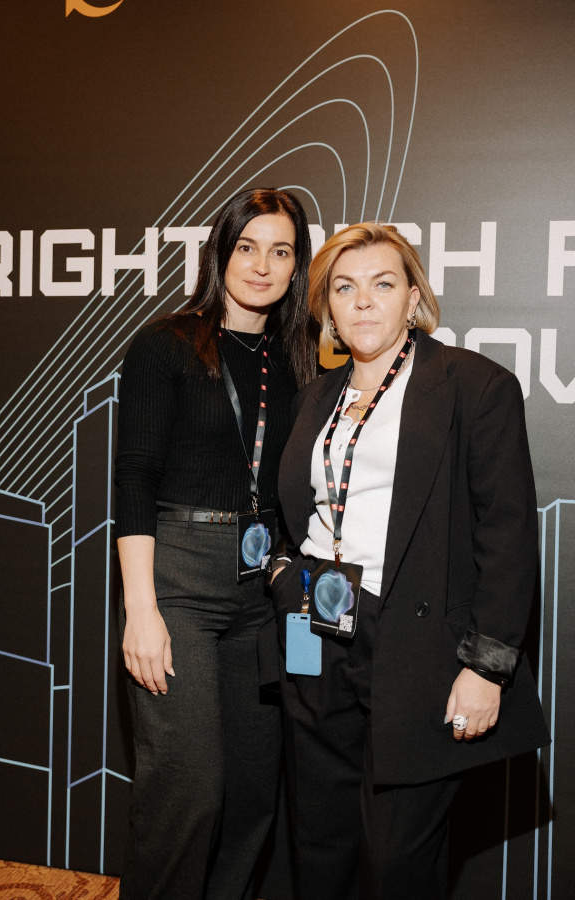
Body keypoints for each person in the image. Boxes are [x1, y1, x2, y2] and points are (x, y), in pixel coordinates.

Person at [270, 223, 550, 900]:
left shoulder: (474, 386)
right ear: (327, 309)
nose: (363, 301)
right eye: (344, 288)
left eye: (383, 284)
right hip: (315, 630)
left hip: (414, 645)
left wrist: (486, 667)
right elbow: (295, 512)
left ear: (414, 298)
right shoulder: (315, 398)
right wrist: (282, 578)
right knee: (319, 847)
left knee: (398, 863)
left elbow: (508, 536)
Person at [114, 187, 318, 900]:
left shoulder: (301, 358)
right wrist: (141, 609)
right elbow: (134, 478)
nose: (262, 265)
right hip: (178, 580)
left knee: (254, 794)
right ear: (220, 253)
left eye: (281, 251)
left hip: (265, 586)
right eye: (247, 246)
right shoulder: (165, 345)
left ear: (297, 266)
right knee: (189, 791)